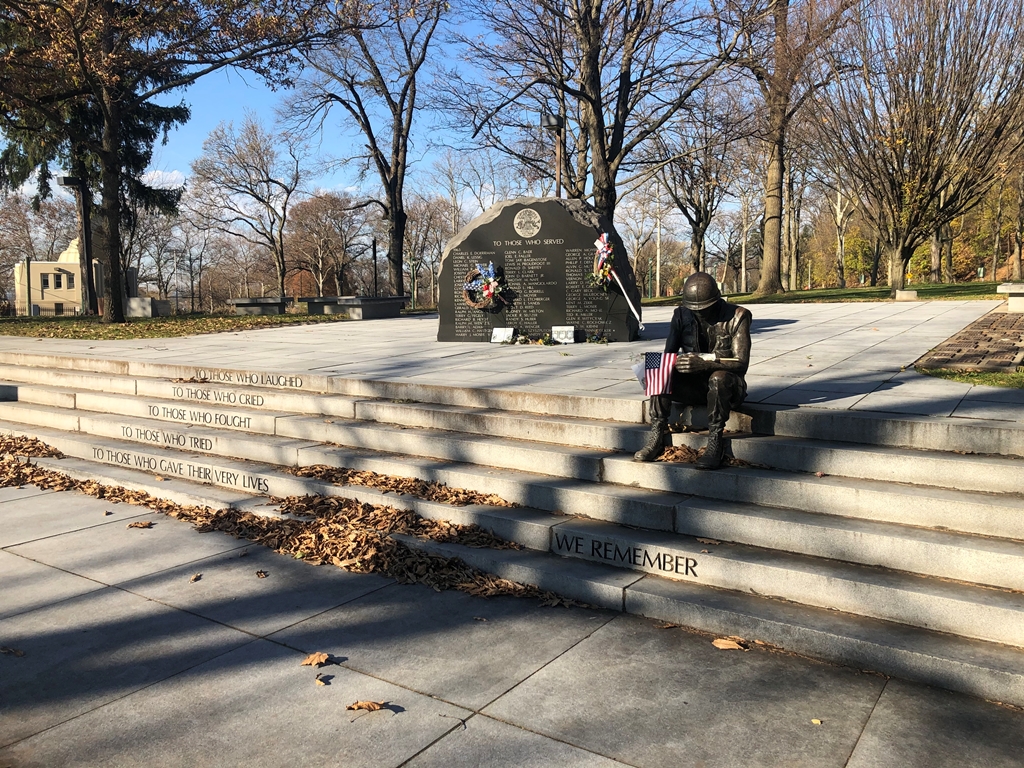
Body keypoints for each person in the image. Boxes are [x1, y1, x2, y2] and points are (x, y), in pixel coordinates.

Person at [634, 272, 751, 469]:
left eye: (704, 309)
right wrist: (676, 363)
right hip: (693, 386)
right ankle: (656, 432)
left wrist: (706, 364)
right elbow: (668, 354)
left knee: (718, 378)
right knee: (659, 366)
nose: (699, 313)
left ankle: (715, 439)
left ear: (716, 301)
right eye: (694, 309)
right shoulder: (681, 315)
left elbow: (741, 363)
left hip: (728, 388)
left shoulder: (738, 316)